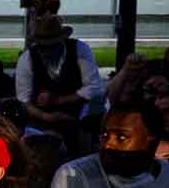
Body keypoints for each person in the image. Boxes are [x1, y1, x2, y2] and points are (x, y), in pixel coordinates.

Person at [13, 15, 104, 153]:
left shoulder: (80, 49)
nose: (46, 51)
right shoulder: (27, 59)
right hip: (40, 120)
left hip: (77, 116)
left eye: (51, 45)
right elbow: (23, 100)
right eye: (42, 46)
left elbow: (94, 87)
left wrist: (58, 100)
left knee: (88, 125)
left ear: (61, 41)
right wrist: (47, 117)